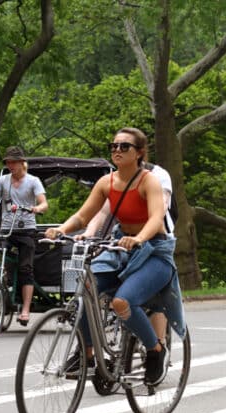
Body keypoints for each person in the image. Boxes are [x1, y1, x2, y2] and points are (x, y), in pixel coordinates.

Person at [44, 127, 185, 386]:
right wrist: (61, 229)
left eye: (124, 147)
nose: (117, 151)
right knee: (86, 287)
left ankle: (155, 350)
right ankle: (89, 355)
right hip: (121, 249)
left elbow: (156, 217)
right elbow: (84, 215)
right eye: (113, 146)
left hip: (154, 251)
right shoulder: (106, 183)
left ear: (139, 152)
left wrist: (140, 238)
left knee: (122, 303)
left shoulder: (149, 181)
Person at [0, 146, 48, 326]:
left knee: (25, 270)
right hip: (6, 230)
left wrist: (37, 208)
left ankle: (26, 310)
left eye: (13, 162)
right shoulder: (3, 180)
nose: (10, 165)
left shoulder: (33, 181)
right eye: (8, 162)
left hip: (26, 230)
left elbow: (44, 203)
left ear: (22, 163)